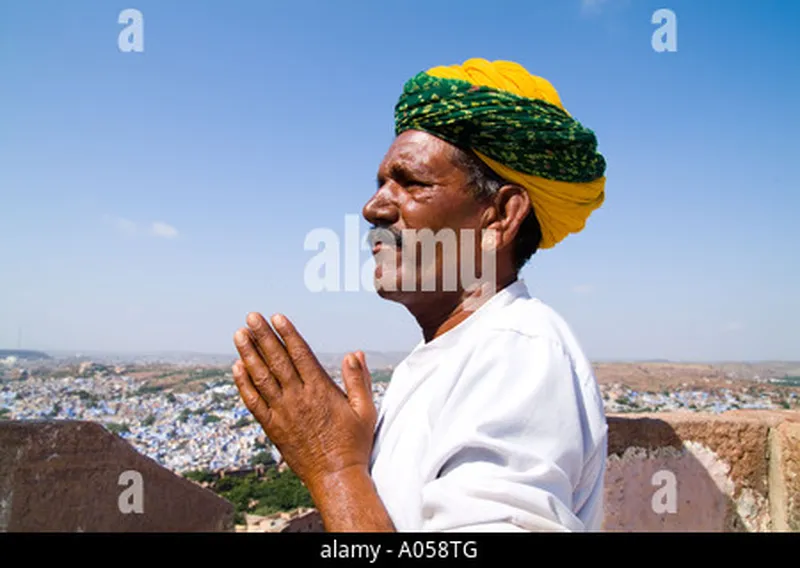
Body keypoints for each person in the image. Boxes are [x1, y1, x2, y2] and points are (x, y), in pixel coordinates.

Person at [231, 58, 608, 532]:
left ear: (499, 217)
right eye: (380, 185)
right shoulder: (448, 353)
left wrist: (335, 469)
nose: (373, 208)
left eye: (412, 183)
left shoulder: (518, 354)